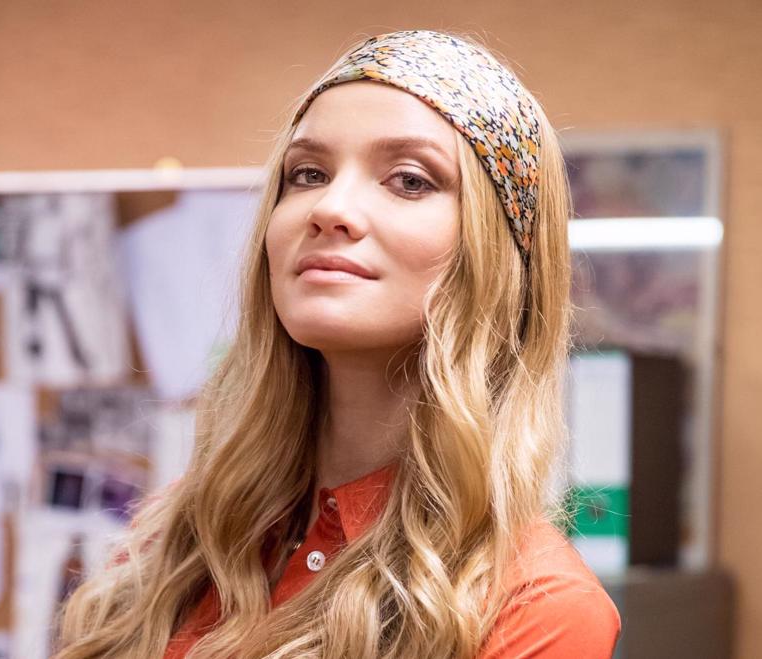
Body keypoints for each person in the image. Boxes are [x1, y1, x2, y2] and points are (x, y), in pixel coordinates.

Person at [56, 29, 621, 658]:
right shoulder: (184, 537)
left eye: (409, 180)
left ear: (496, 255)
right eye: (308, 174)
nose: (330, 207)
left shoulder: (534, 607)